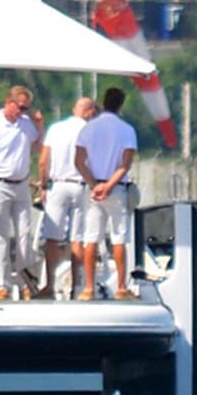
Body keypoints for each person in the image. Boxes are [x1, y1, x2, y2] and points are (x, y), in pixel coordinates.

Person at [0, 85, 45, 302]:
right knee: (1, 237)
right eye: (20, 107)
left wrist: (39, 124)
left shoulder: (25, 124)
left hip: (21, 183)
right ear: (10, 102)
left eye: (26, 108)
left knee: (25, 234)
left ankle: (25, 282)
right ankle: (2, 285)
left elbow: (38, 147)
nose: (23, 112)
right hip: (0, 184)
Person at [75, 86, 138, 301]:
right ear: (121, 104)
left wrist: (94, 184)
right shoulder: (127, 129)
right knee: (119, 238)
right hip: (116, 187)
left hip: (93, 188)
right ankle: (121, 286)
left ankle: (89, 287)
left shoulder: (89, 128)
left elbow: (79, 161)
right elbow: (125, 163)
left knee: (90, 238)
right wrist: (110, 184)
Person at [36, 97, 96, 300]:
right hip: (80, 185)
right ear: (89, 112)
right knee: (77, 238)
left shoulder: (56, 128)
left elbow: (44, 161)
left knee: (52, 238)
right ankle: (77, 286)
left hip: (58, 184)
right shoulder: (90, 131)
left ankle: (50, 285)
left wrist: (43, 185)